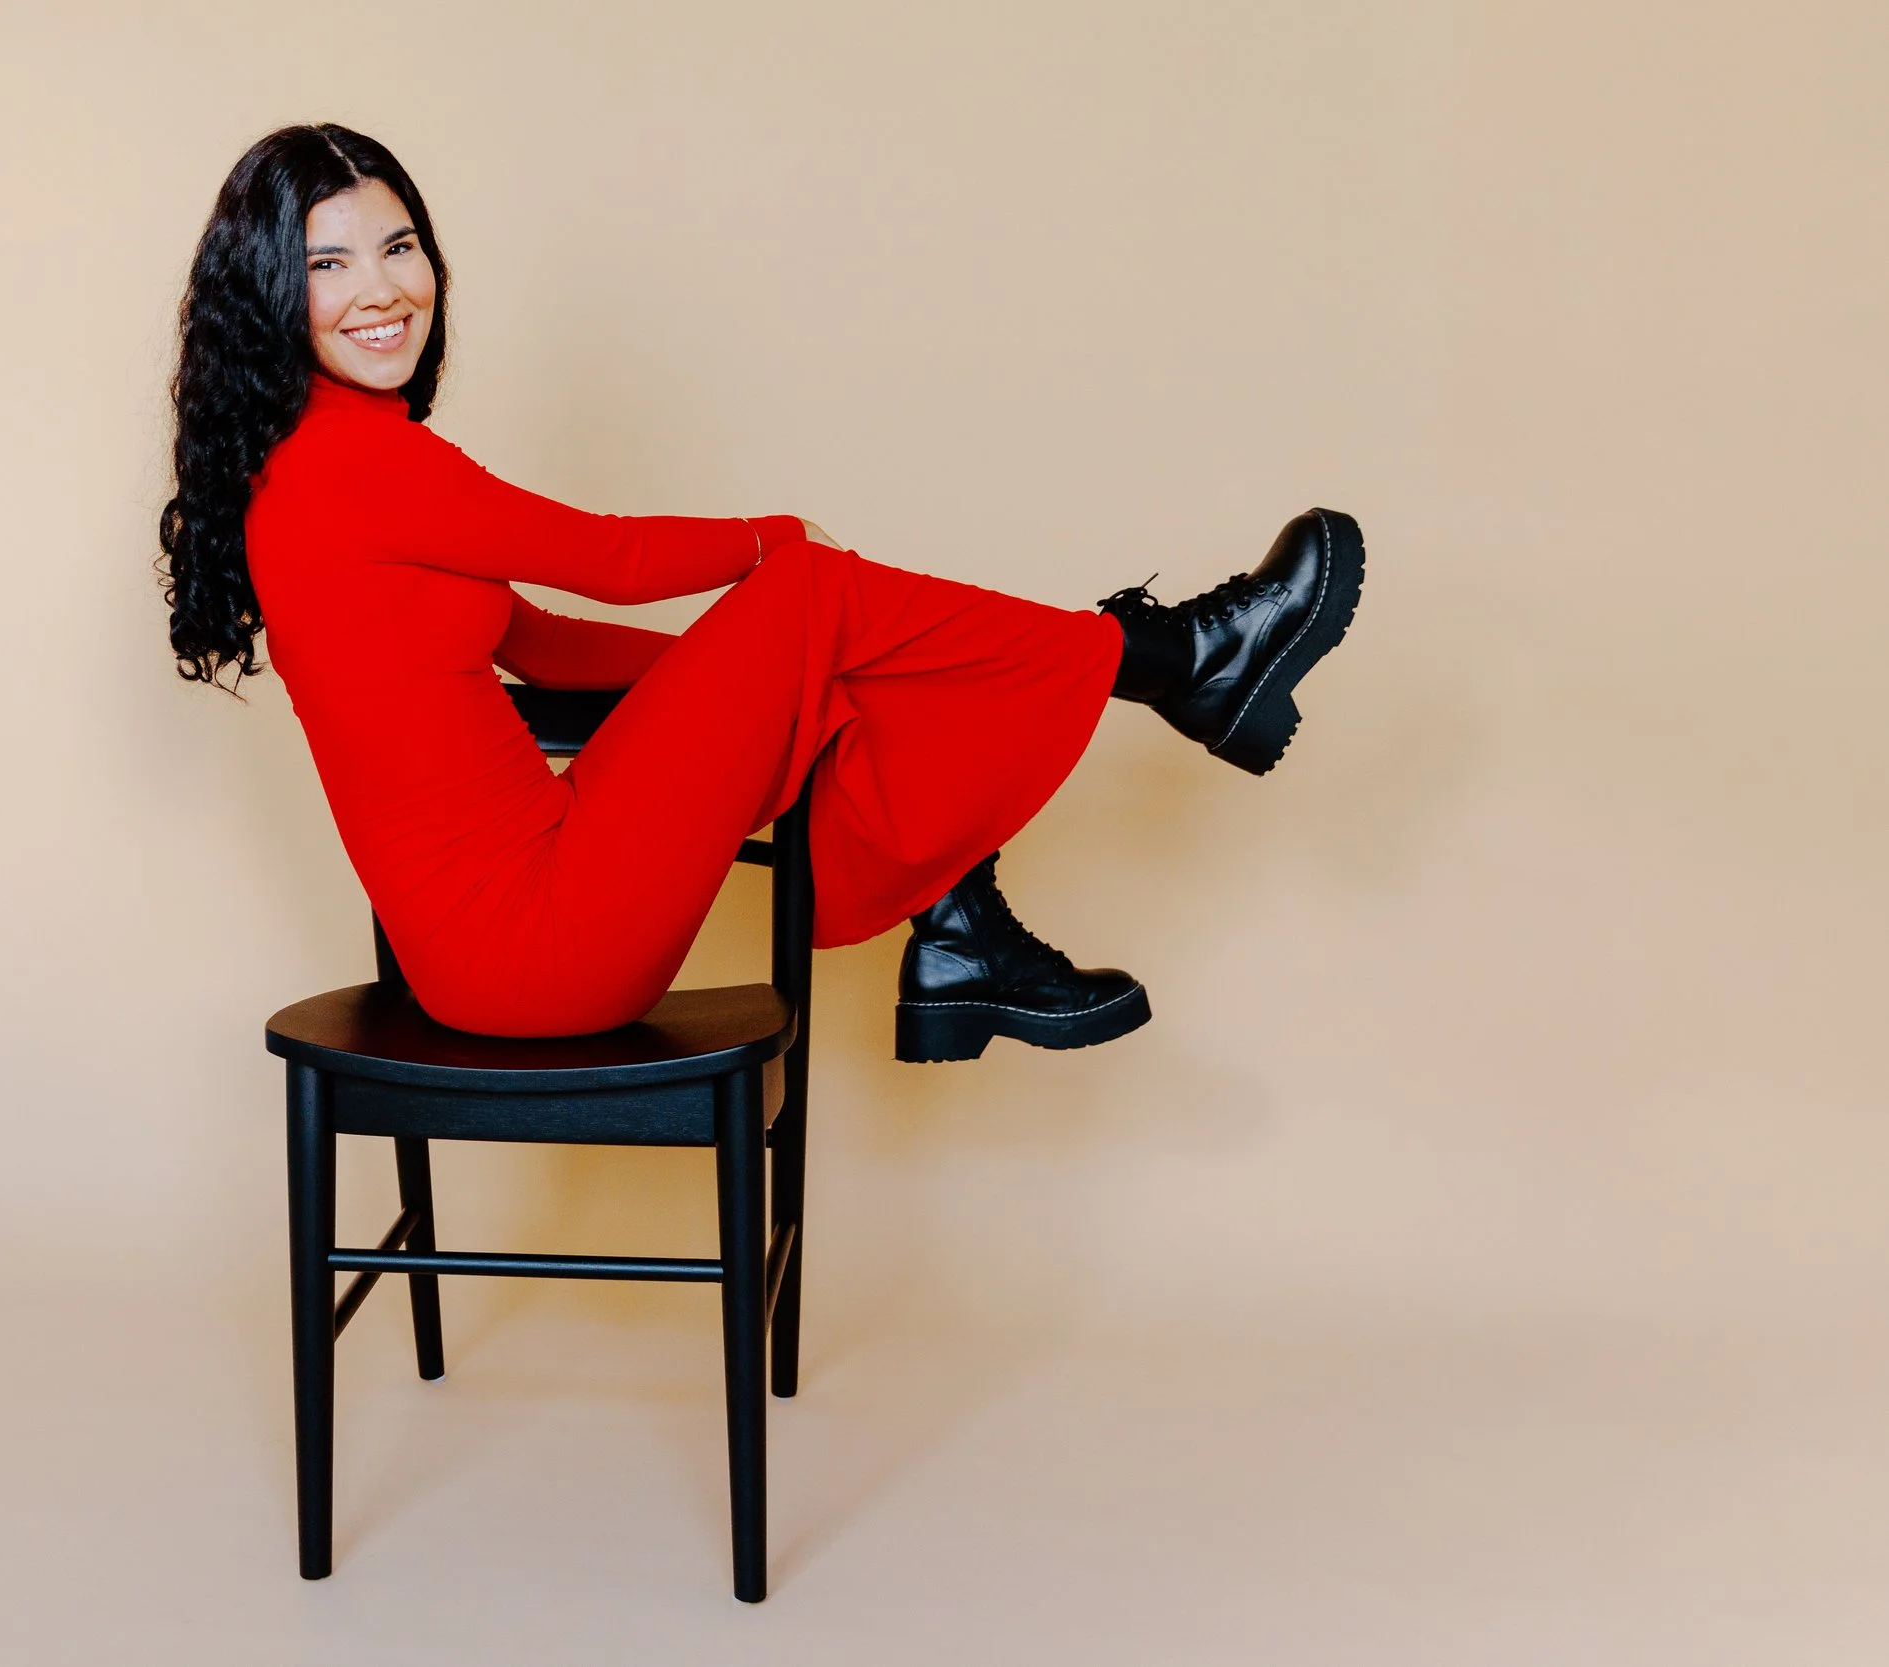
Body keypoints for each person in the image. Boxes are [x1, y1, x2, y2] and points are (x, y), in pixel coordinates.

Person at [160, 124, 1363, 1058]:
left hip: (513, 929)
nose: (381, 289)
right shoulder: (355, 465)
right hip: (530, 949)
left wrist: (765, 688)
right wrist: (770, 543)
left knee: (806, 648)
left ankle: (960, 928)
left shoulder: (316, 465)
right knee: (804, 594)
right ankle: (1174, 660)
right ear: (270, 291)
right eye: (328, 263)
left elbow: (546, 640)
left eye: (399, 246)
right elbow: (608, 557)